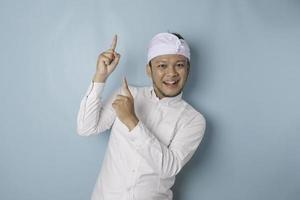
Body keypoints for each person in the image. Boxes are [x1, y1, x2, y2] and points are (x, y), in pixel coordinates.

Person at [76, 32, 206, 200]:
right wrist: (100, 76)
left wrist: (131, 120)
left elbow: (169, 167)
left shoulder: (194, 120)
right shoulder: (127, 94)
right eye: (162, 65)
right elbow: (86, 128)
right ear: (149, 70)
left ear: (188, 70)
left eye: (179, 65)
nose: (171, 73)